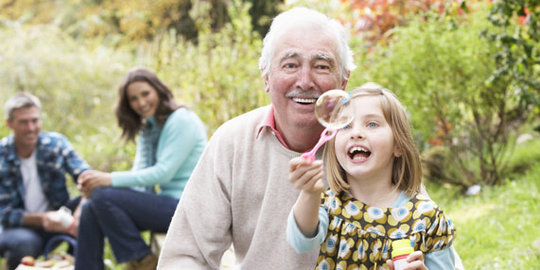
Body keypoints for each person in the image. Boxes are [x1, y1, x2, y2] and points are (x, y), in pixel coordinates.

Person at [158, 7, 356, 269]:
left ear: (343, 81)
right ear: (266, 77)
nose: (305, 81)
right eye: (290, 65)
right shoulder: (232, 142)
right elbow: (185, 255)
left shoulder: (368, 144)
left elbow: (413, 227)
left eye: (321, 66)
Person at [286, 84, 456, 269]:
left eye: (372, 124)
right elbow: (301, 242)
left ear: (398, 145)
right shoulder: (329, 205)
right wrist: (310, 193)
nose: (356, 133)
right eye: (345, 126)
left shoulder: (427, 219)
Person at [75, 67, 207, 270]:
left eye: (145, 94)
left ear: (158, 91)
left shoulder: (182, 120)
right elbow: (140, 173)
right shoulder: (149, 127)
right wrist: (98, 193)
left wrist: (108, 181)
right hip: (167, 206)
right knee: (91, 207)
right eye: (133, 99)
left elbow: (163, 173)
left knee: (102, 194)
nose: (141, 103)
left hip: (188, 209)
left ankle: (142, 260)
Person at [0, 92, 90, 270]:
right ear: (9, 123)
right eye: (23, 122)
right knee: (26, 243)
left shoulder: (55, 144)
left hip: (60, 218)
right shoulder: (2, 155)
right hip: (16, 229)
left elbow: (88, 178)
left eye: (35, 120)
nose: (31, 127)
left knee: (93, 208)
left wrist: (80, 213)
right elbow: (4, 213)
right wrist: (42, 219)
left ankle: (78, 264)